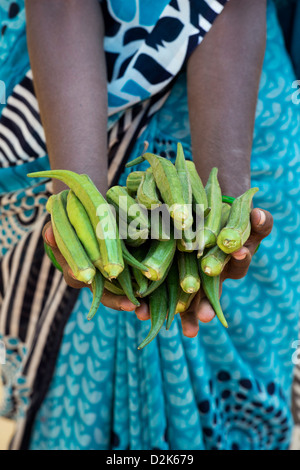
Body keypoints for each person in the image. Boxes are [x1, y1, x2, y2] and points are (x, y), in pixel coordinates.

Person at [0, 0, 299, 450]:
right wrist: (79, 201)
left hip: (235, 101)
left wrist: (224, 204)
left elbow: (232, 7)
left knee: (241, 388)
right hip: (68, 99)